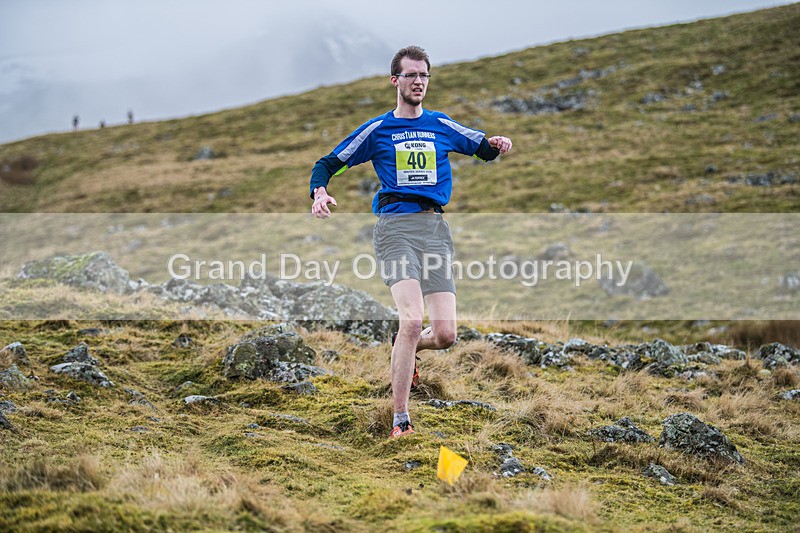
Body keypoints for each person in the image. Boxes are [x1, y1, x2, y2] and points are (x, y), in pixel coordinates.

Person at [309, 45, 512, 438]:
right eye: (411, 75)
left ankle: (409, 347)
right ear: (395, 81)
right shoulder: (378, 129)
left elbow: (481, 147)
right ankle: (400, 418)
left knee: (446, 335)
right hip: (395, 230)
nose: (418, 81)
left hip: (434, 231)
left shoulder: (440, 124)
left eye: (424, 76)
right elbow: (328, 163)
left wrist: (497, 144)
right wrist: (320, 192)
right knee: (410, 318)